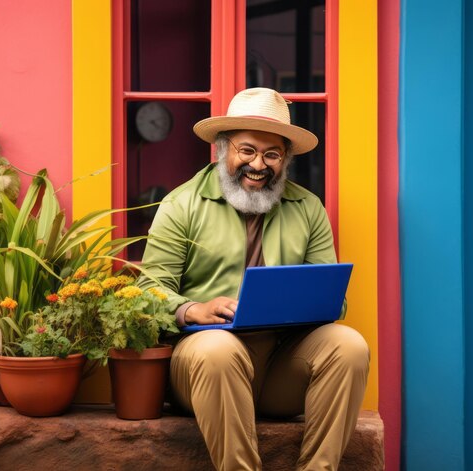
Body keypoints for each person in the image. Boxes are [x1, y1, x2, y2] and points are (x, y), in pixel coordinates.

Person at [139, 87, 369, 471]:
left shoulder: (309, 209)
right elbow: (147, 293)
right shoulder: (180, 205)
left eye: (272, 154)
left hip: (280, 365)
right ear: (223, 150)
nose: (258, 164)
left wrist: (303, 302)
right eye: (247, 151)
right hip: (203, 365)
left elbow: (334, 303)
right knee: (218, 350)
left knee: (349, 346)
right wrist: (194, 309)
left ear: (285, 160)